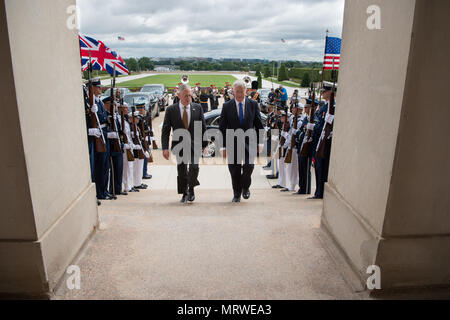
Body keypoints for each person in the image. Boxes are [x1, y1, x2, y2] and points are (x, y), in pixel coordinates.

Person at [219, 80, 264, 203]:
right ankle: (236, 193)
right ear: (233, 92)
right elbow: (222, 128)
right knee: (234, 169)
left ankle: (245, 187)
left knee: (249, 166)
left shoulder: (253, 104)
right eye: (237, 91)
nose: (239, 94)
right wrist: (222, 147)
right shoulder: (227, 106)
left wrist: (260, 143)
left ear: (246, 91)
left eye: (241, 91)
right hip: (232, 143)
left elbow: (259, 125)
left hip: (249, 142)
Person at [161, 84, 207, 203]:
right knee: (181, 170)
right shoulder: (171, 110)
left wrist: (204, 144)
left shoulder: (197, 108)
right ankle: (184, 193)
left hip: (194, 144)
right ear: (179, 95)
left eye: (189, 95)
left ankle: (191, 188)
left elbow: (202, 127)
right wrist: (164, 148)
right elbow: (165, 130)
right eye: (185, 96)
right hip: (179, 145)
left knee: (193, 167)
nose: (188, 98)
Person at [309, 81, 336, 199]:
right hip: (319, 140)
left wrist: (333, 119)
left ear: (331, 92)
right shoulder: (325, 106)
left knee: (322, 168)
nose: (323, 93)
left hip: (325, 142)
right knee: (318, 168)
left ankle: (321, 192)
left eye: (325, 91)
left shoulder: (333, 106)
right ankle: (318, 191)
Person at [102, 95, 125, 197]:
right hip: (111, 146)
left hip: (118, 145)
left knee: (119, 169)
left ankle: (118, 189)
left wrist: (122, 142)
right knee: (112, 168)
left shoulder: (115, 116)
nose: (115, 106)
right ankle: (112, 190)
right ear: (107, 105)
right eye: (112, 104)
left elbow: (120, 131)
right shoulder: (105, 116)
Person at [294, 98, 315, 195]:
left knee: (306, 169)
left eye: (307, 107)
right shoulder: (306, 118)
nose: (305, 109)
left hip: (308, 147)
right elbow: (301, 130)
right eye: (305, 107)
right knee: (301, 169)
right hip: (301, 145)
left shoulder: (314, 118)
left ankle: (306, 189)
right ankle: (302, 188)